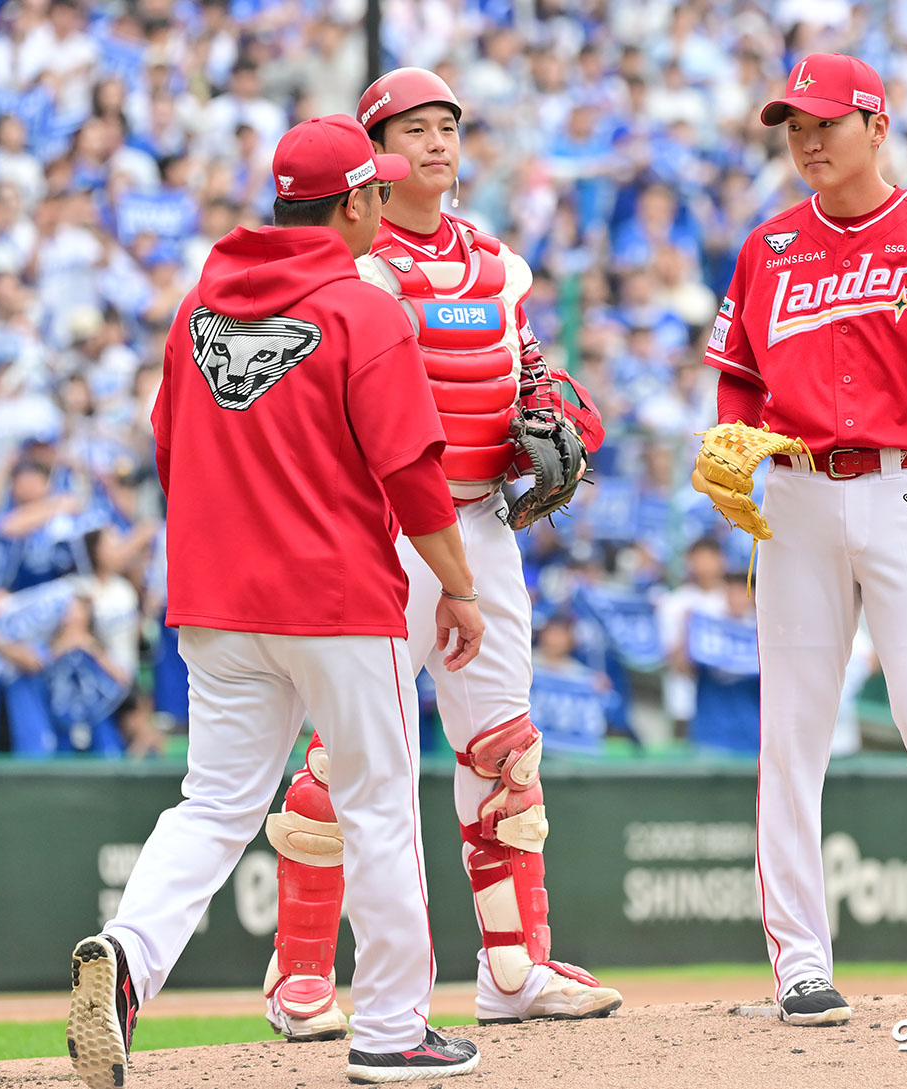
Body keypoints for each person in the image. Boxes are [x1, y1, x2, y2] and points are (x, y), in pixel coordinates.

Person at [66, 114, 486, 1089]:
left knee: (213, 804)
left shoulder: (198, 305)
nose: (385, 203)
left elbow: (170, 449)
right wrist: (460, 590)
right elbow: (416, 478)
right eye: (376, 190)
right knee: (379, 806)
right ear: (353, 200)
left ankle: (127, 959)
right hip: (337, 600)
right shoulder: (364, 308)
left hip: (216, 604)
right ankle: (390, 1030)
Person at [261, 68, 620, 1042]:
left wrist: (558, 408)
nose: (435, 145)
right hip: (381, 528)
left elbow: (530, 369)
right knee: (343, 758)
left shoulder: (497, 263)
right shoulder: (350, 264)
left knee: (505, 750)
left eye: (447, 128)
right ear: (372, 156)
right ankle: (298, 976)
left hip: (483, 528)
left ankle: (513, 966)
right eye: (411, 130)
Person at [698, 53, 907, 1026]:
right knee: (793, 736)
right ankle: (801, 965)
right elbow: (737, 373)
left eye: (824, 126)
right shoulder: (768, 247)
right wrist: (733, 438)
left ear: (876, 127)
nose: (806, 143)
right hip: (800, 501)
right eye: (793, 129)